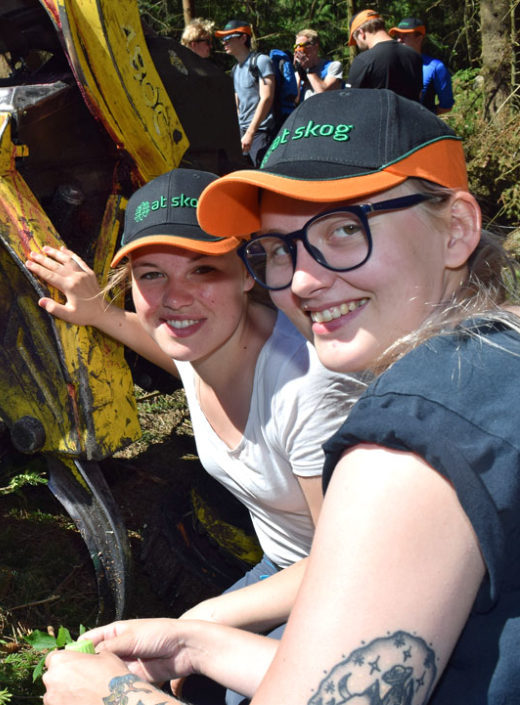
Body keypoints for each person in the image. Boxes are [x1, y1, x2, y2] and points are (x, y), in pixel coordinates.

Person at [42, 89, 519, 705]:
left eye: (344, 229)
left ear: (456, 229)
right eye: (279, 249)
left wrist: (110, 696)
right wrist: (196, 642)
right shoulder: (492, 358)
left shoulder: (405, 451)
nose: (302, 280)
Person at [27, 168, 361, 703]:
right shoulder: (206, 342)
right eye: (151, 274)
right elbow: (171, 351)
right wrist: (98, 311)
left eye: (203, 269)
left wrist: (201, 623)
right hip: (283, 565)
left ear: (247, 272)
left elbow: (352, 566)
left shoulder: (307, 391)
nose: (175, 297)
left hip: (340, 583)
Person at [215, 20, 274, 166]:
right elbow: (237, 105)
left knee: (262, 174)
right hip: (243, 133)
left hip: (261, 133)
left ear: (243, 38)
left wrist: (250, 133)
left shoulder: (261, 61)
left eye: (228, 38)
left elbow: (267, 98)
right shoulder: (235, 69)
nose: (224, 42)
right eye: (223, 39)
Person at [345, 9, 422, 101]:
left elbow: (350, 100)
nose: (357, 44)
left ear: (361, 33)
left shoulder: (363, 60)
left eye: (355, 39)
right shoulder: (414, 56)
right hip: (409, 110)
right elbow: (418, 95)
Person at [390, 17, 455, 114]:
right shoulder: (389, 63)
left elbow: (446, 106)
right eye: (398, 36)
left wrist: (423, 116)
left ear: (419, 38)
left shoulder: (435, 67)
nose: (399, 40)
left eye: (405, 35)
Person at [292, 29, 343, 102]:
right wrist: (299, 71)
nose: (299, 50)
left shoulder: (333, 66)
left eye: (302, 45)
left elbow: (323, 94)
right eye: (296, 46)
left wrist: (308, 70)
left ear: (315, 46)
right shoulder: (298, 73)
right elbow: (294, 100)